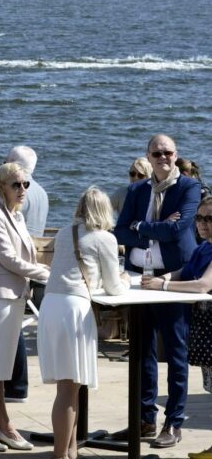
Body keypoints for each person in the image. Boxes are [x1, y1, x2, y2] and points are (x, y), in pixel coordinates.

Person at [114, 134, 201, 447]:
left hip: (174, 279)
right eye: (157, 153)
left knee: (176, 352)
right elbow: (119, 231)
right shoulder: (137, 190)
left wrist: (140, 226)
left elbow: (178, 228)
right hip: (138, 278)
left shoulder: (189, 187)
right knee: (141, 351)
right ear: (148, 157)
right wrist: (150, 229)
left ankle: (173, 424)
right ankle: (145, 419)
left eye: (168, 153)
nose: (164, 158)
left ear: (176, 155)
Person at [37, 187, 130, 459]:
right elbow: (114, 288)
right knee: (69, 389)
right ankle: (60, 454)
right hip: (74, 311)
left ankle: (70, 450)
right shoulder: (104, 238)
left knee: (68, 386)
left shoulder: (66, 232)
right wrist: (124, 280)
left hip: (51, 304)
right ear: (105, 211)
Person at [0, 162, 50, 451]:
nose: (22, 190)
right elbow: (8, 259)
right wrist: (47, 274)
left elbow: (23, 256)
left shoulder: (15, 217)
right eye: (16, 184)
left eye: (26, 184)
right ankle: (6, 427)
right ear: (1, 186)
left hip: (13, 295)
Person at [139, 196, 212, 459]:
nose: (203, 224)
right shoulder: (204, 248)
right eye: (200, 218)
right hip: (204, 325)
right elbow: (185, 270)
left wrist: (164, 286)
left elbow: (203, 284)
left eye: (209, 219)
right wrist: (163, 277)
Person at [3, 145, 49, 403]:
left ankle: (16, 385)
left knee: (10, 325)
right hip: (35, 262)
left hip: (18, 268)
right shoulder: (40, 192)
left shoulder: (16, 193)